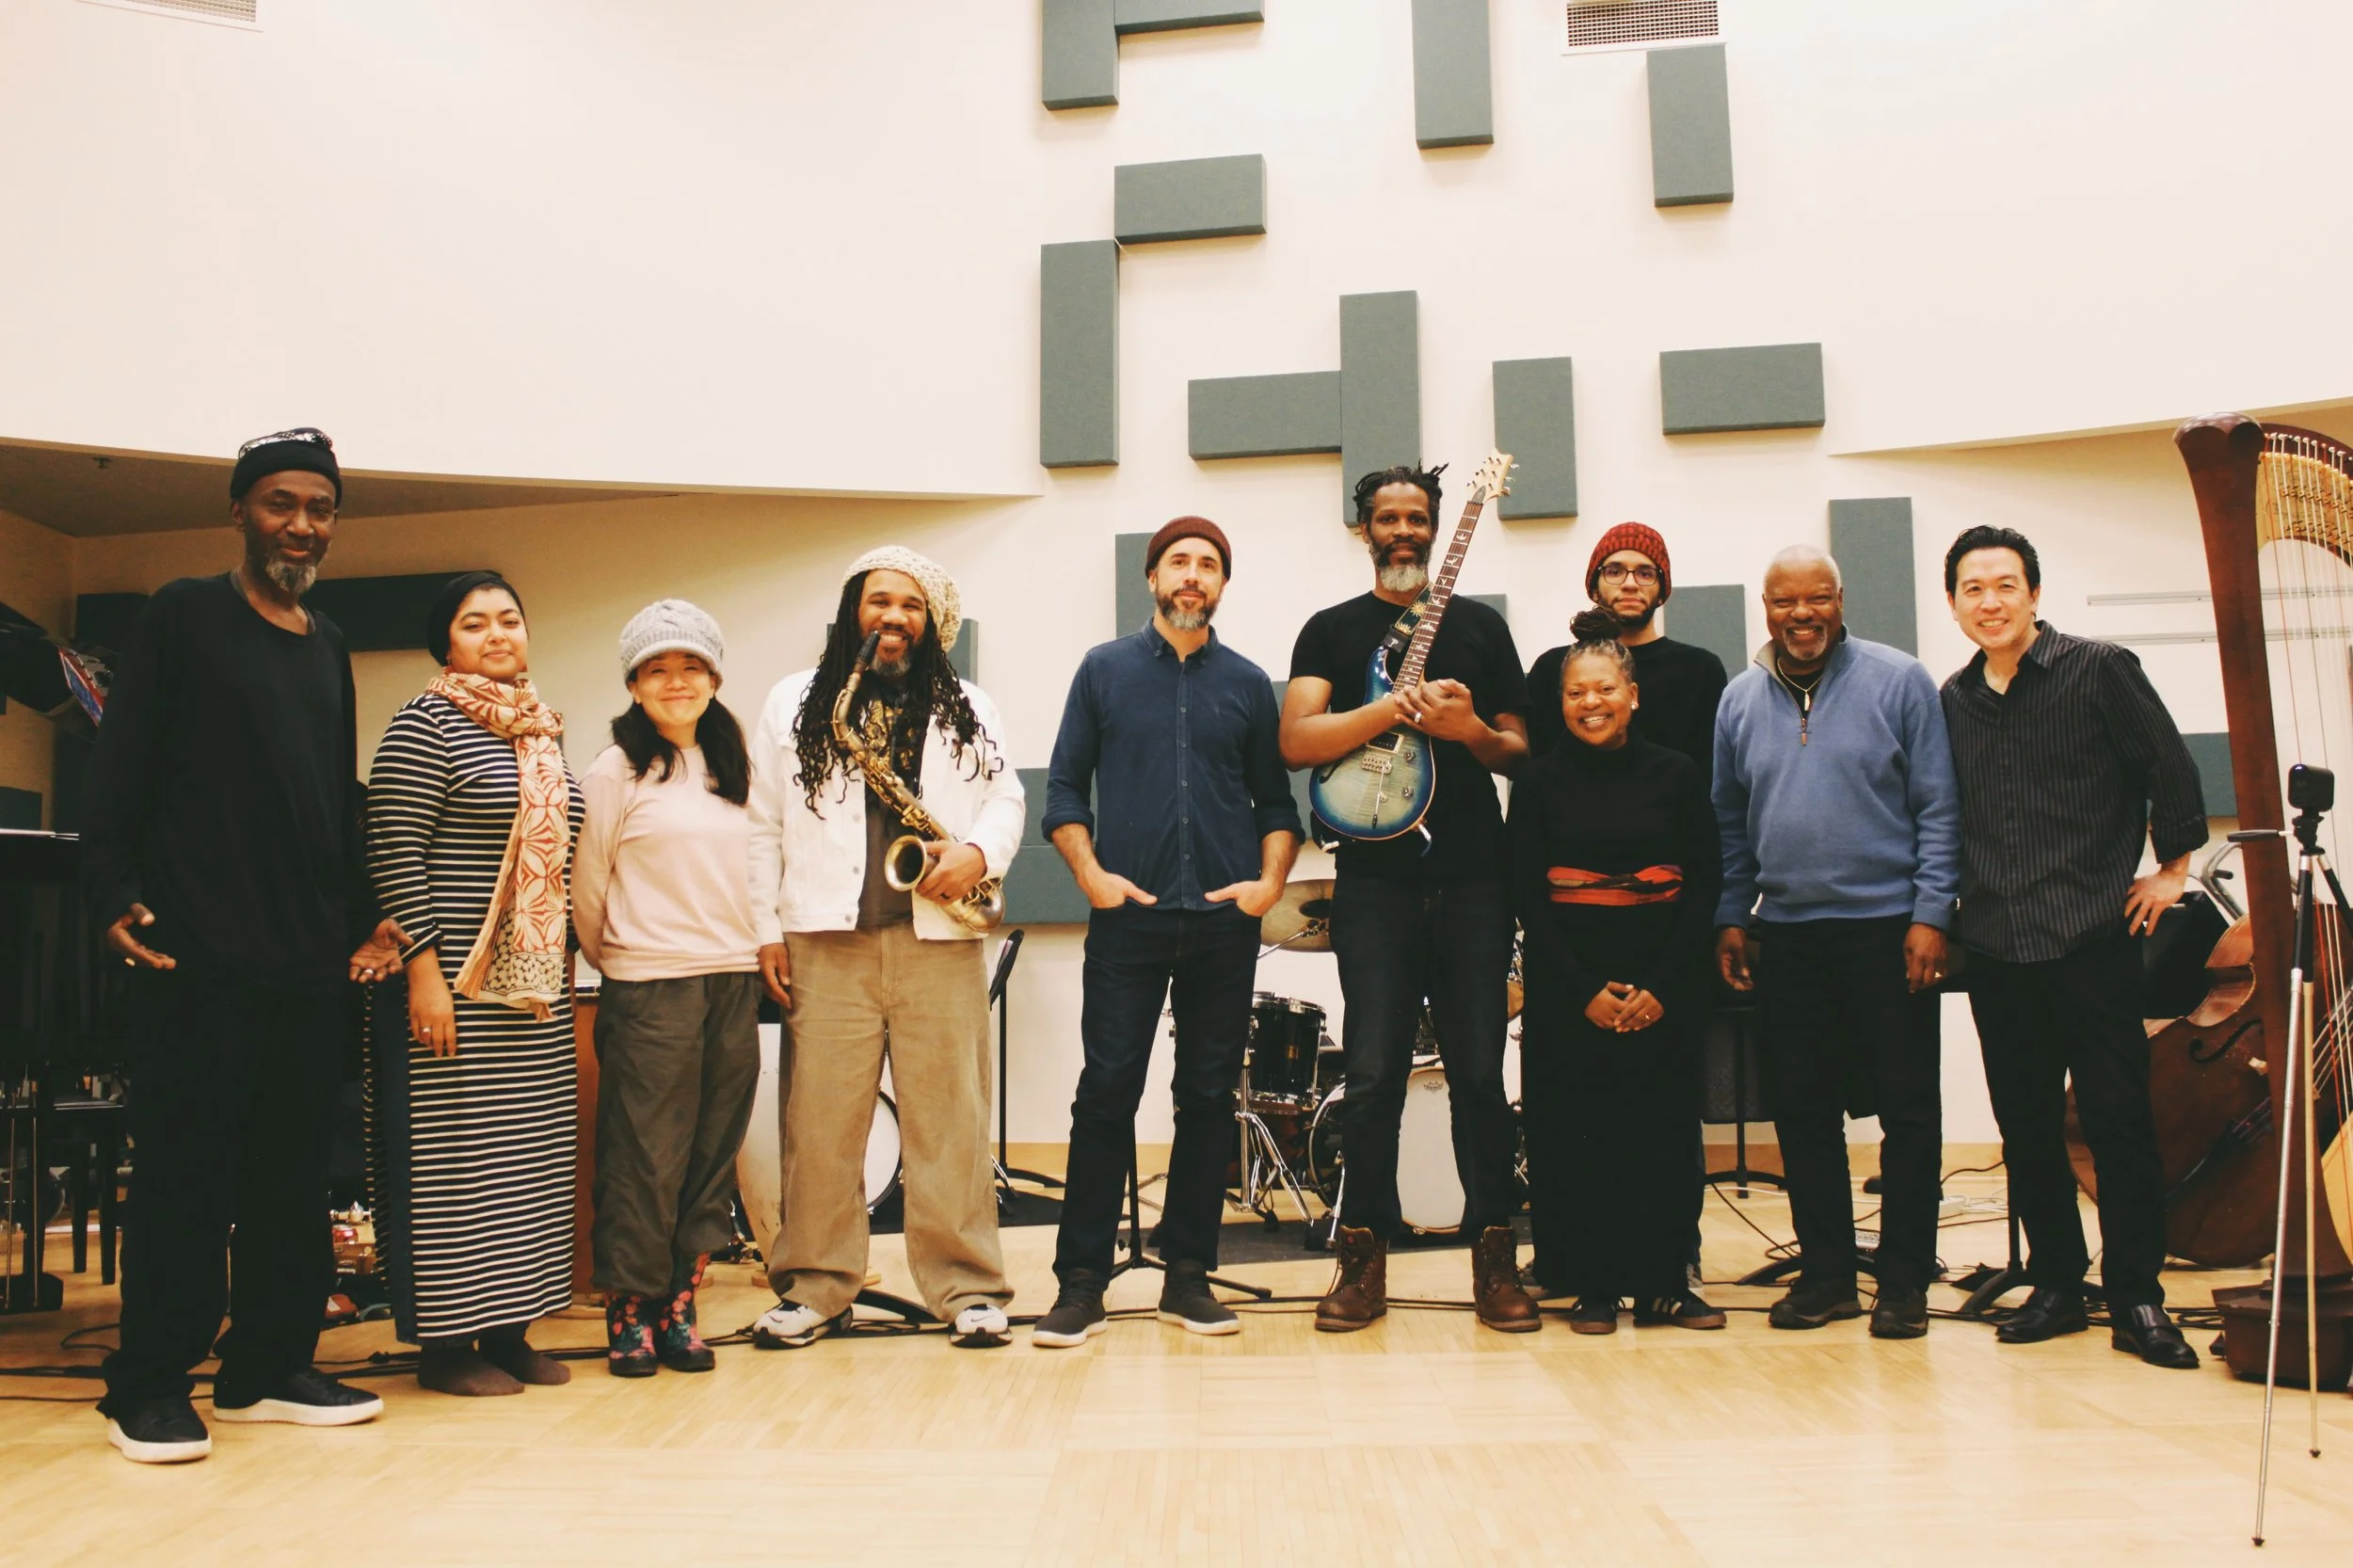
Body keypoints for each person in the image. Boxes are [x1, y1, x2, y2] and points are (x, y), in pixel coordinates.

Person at [79, 427, 398, 1464]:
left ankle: (265, 1368)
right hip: (198, 955)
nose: (301, 524)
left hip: (304, 961)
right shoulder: (182, 614)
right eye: (280, 503)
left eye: (319, 507)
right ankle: (147, 1387)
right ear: (240, 512)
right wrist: (112, 891)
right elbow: (119, 766)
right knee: (186, 1177)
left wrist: (363, 911)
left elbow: (331, 799)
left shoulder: (328, 641)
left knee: (290, 1181)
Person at [745, 548, 1024, 1351]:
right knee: (820, 1126)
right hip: (824, 938)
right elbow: (762, 824)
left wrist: (977, 853)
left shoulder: (969, 704)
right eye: (879, 601)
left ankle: (969, 1289)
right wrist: (766, 929)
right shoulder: (794, 701)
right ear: (852, 611)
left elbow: (1006, 798)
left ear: (930, 624)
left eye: (911, 605)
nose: (893, 616)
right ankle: (815, 1288)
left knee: (952, 1123)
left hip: (937, 937)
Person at [1941, 526, 2204, 1369]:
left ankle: (2137, 1297)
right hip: (1996, 945)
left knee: (2117, 1123)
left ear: (2034, 594)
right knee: (2025, 1129)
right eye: (1973, 589)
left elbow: (2171, 767)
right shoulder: (1954, 699)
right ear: (1954, 603)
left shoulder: (2100, 670)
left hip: (2091, 938)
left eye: (2005, 585)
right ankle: (2056, 1283)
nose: (1990, 602)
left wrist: (2173, 872)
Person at [1283, 466, 1538, 1334]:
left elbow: (1520, 753)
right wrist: (1389, 711)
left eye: (1416, 517)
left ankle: (1495, 1260)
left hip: (1474, 880)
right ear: (1364, 529)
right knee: (1371, 1077)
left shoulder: (1481, 628)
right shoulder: (1330, 630)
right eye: (1386, 517)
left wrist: (1467, 729)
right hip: (1375, 883)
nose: (1402, 530)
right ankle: (1362, 1262)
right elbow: (1296, 738)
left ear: (1435, 528)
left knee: (1479, 1077)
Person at [1034, 518, 1301, 1346]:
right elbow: (1064, 791)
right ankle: (1081, 1283)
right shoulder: (1103, 670)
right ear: (1151, 578)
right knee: (1106, 1093)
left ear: (1222, 584)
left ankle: (1188, 1276)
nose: (1193, 575)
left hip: (1223, 924)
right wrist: (1092, 877)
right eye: (1178, 562)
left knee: (1208, 1099)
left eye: (1208, 565)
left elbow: (1277, 805)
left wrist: (1268, 886)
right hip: (1129, 921)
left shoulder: (1249, 684)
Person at [1714, 545, 1961, 1339]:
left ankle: (1904, 1282)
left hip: (1888, 932)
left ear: (1841, 600)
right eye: (1785, 601)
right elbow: (1729, 822)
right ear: (1766, 609)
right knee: (1803, 1114)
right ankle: (1827, 1277)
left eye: (1817, 598)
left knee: (1908, 1112)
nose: (1802, 614)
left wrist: (1931, 916)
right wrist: (1732, 913)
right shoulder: (1739, 699)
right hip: (1786, 935)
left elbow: (1939, 808)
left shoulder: (1901, 681)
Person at [365, 571, 586, 1396]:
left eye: (509, 619)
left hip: (529, 991)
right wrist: (423, 976)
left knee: (527, 1161)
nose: (497, 635)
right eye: (474, 623)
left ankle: (508, 1330)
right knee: (455, 1163)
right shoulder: (425, 725)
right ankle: (446, 1346)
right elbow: (392, 849)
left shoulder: (539, 732)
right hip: (452, 984)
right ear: (446, 644)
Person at [1522, 521, 1729, 1297]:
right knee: (1571, 1123)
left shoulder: (1693, 698)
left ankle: (1667, 1271)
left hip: (1661, 946)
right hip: (1575, 959)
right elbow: (1527, 882)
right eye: (1614, 569)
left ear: (1633, 695)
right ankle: (1581, 1270)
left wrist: (1665, 981)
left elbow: (1705, 866)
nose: (1630, 581)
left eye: (1645, 569)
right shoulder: (1544, 767)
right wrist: (1580, 986)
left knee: (1662, 1122)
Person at [573, 600, 761, 1377]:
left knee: (711, 1154)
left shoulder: (735, 764)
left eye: (691, 667)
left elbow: (759, 869)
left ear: (714, 678)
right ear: (634, 684)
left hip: (733, 979)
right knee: (644, 1157)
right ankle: (630, 1309)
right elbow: (588, 887)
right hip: (649, 983)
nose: (676, 682)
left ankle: (680, 1304)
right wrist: (624, 958)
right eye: (658, 669)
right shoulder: (615, 770)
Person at [1524, 523, 1728, 769]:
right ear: (1594, 589)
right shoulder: (1552, 668)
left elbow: (1712, 772)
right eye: (1614, 571)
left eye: (1645, 574)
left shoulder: (1700, 670)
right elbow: (1536, 768)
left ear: (1662, 592)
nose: (1630, 583)